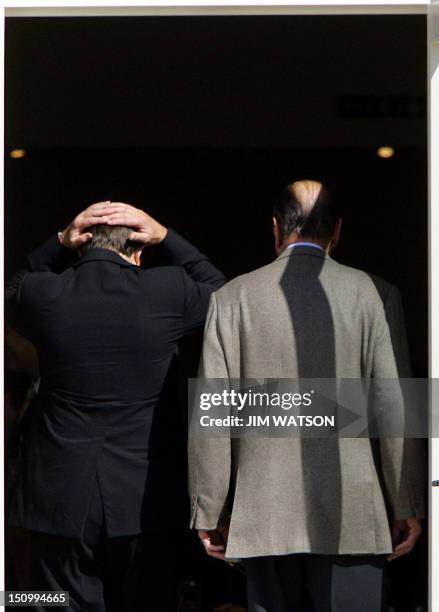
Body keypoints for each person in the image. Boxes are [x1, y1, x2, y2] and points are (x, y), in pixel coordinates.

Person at [189, 180, 426, 612]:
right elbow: (395, 407)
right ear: (337, 231)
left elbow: (212, 412)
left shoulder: (231, 299)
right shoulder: (375, 293)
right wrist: (407, 499)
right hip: (353, 512)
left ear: (276, 228)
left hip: (262, 514)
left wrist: (209, 508)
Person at [6, 201, 226, 611]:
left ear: (81, 245)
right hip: (144, 504)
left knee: (50, 604)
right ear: (138, 250)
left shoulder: (44, 293)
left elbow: (10, 293)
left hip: (59, 503)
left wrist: (56, 242)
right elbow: (223, 293)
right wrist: (167, 235)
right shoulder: (169, 290)